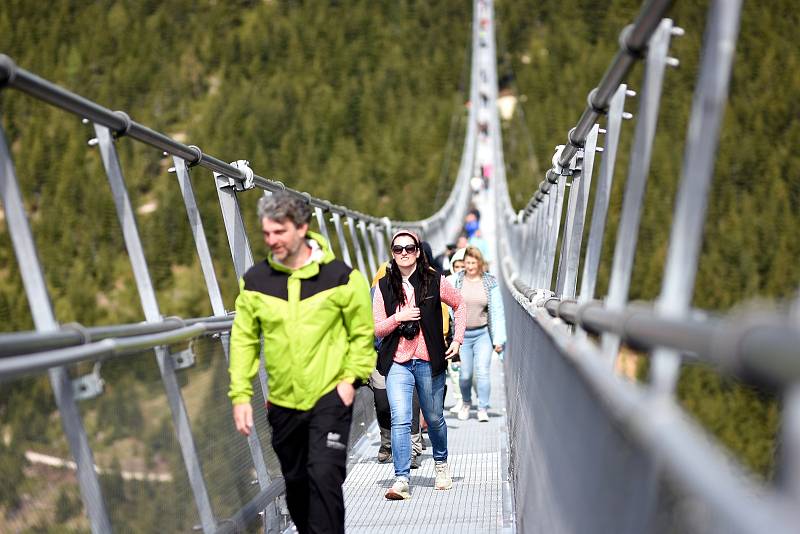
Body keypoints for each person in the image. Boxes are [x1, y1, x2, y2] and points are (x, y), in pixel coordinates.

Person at [228, 192, 375, 534]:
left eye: (279, 232)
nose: (271, 241)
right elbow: (244, 340)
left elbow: (362, 334)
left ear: (302, 228)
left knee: (324, 476)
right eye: (266, 234)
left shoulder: (342, 277)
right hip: (282, 402)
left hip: (330, 395)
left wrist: (350, 380)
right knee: (296, 485)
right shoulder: (255, 283)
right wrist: (239, 396)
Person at [373, 230, 466, 500]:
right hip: (398, 362)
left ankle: (441, 464)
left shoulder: (435, 280)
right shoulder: (382, 286)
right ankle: (401, 479)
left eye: (409, 248)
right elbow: (378, 329)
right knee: (400, 419)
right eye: (398, 249)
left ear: (417, 251)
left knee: (434, 418)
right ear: (392, 253)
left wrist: (457, 340)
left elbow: (459, 306)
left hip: (429, 360)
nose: (404, 253)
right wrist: (398, 317)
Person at [370, 261, 424, 470]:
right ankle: (387, 443)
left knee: (409, 403)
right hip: (379, 354)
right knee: (383, 402)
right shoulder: (374, 293)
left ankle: (412, 449)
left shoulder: (414, 289)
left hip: (408, 353)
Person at [453, 246, 506, 422]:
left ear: (479, 263)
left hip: (483, 334)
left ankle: (482, 407)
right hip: (463, 336)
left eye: (473, 263)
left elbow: (497, 311)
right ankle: (467, 403)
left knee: (482, 371)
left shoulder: (489, 282)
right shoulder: (457, 281)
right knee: (466, 373)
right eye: (467, 263)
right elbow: (447, 301)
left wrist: (498, 339)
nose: (470, 266)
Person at [445, 248, 467, 415]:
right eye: (457, 266)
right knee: (455, 370)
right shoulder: (447, 282)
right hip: (452, 333)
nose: (460, 269)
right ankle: (460, 400)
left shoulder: (477, 281)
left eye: (463, 266)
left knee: (470, 371)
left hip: (473, 332)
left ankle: (468, 398)